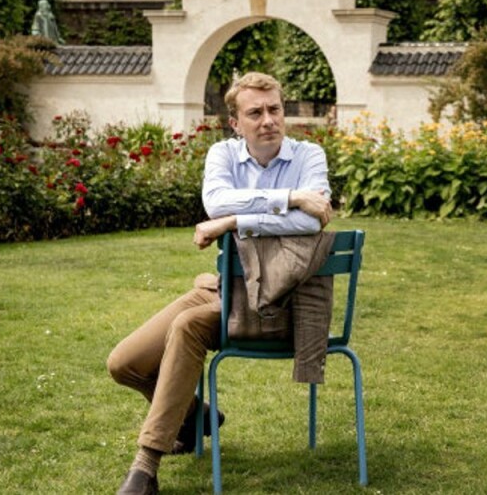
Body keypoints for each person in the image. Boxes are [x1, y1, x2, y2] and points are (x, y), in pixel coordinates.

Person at [107, 72, 333, 495]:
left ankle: (145, 465)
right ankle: (196, 416)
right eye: (255, 112)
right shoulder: (222, 155)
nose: (268, 120)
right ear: (235, 122)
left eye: (275, 109)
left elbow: (312, 219)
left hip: (277, 300)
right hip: (222, 288)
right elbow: (215, 201)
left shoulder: (309, 156)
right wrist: (287, 198)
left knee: (188, 326)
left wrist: (234, 222)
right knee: (125, 363)